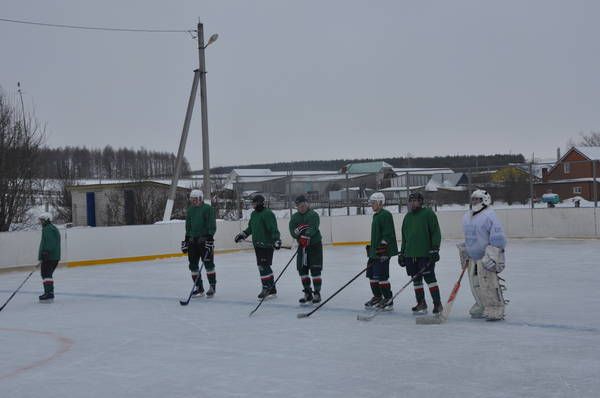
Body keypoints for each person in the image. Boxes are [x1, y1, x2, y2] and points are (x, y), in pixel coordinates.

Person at [459, 189, 507, 321]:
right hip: (473, 257)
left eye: (477, 199)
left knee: (488, 284)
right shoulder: (467, 216)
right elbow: (469, 237)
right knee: (475, 285)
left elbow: (498, 239)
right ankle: (481, 304)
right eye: (473, 199)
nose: (474, 202)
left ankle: (495, 308)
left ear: (485, 200)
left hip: (485, 257)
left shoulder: (489, 215)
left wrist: (493, 257)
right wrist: (465, 251)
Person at [398, 192, 443, 315]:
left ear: (421, 202)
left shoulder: (428, 213)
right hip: (410, 255)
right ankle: (421, 303)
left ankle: (437, 304)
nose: (412, 203)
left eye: (415, 200)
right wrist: (402, 253)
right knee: (416, 280)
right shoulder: (407, 217)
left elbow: (435, 232)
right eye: (410, 201)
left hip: (425, 254)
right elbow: (405, 237)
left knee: (430, 278)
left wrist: (435, 248)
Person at [234, 195, 282, 300]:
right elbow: (251, 228)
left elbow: (273, 228)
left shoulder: (268, 214)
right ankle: (272, 289)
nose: (253, 205)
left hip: (267, 245)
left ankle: (266, 287)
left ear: (260, 203)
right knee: (264, 266)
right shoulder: (254, 214)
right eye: (253, 203)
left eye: (255, 203)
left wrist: (276, 239)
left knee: (263, 266)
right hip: (258, 245)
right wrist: (243, 234)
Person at [364, 192, 398, 311]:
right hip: (375, 252)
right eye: (371, 203)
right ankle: (378, 297)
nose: (371, 205)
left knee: (381, 276)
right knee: (371, 275)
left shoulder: (386, 215)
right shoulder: (376, 215)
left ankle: (388, 300)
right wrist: (372, 248)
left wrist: (383, 248)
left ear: (380, 202)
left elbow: (388, 233)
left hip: (383, 252)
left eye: (373, 203)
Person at [182, 189, 217, 298]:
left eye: (195, 199)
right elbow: (188, 226)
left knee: (208, 264)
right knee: (193, 265)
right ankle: (199, 287)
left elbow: (211, 224)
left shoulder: (208, 209)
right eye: (192, 199)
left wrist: (210, 237)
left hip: (204, 240)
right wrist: (186, 239)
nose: (193, 201)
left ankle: (212, 286)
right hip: (193, 241)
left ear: (201, 198)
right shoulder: (190, 210)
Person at [289, 195, 323, 304]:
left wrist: (306, 235)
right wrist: (298, 237)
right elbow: (293, 231)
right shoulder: (294, 218)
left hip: (314, 246)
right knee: (302, 270)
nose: (302, 207)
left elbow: (313, 227)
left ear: (307, 204)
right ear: (297, 207)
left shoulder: (313, 215)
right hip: (302, 247)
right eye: (299, 206)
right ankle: (307, 292)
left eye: (303, 205)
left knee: (315, 270)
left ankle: (317, 293)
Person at [38, 212, 61, 302]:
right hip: (52, 256)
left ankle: (49, 293)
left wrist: (46, 252)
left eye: (42, 220)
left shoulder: (48, 229)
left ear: (46, 220)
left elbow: (50, 242)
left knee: (46, 274)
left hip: (50, 256)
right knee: (46, 274)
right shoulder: (51, 228)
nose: (40, 222)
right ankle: (48, 292)